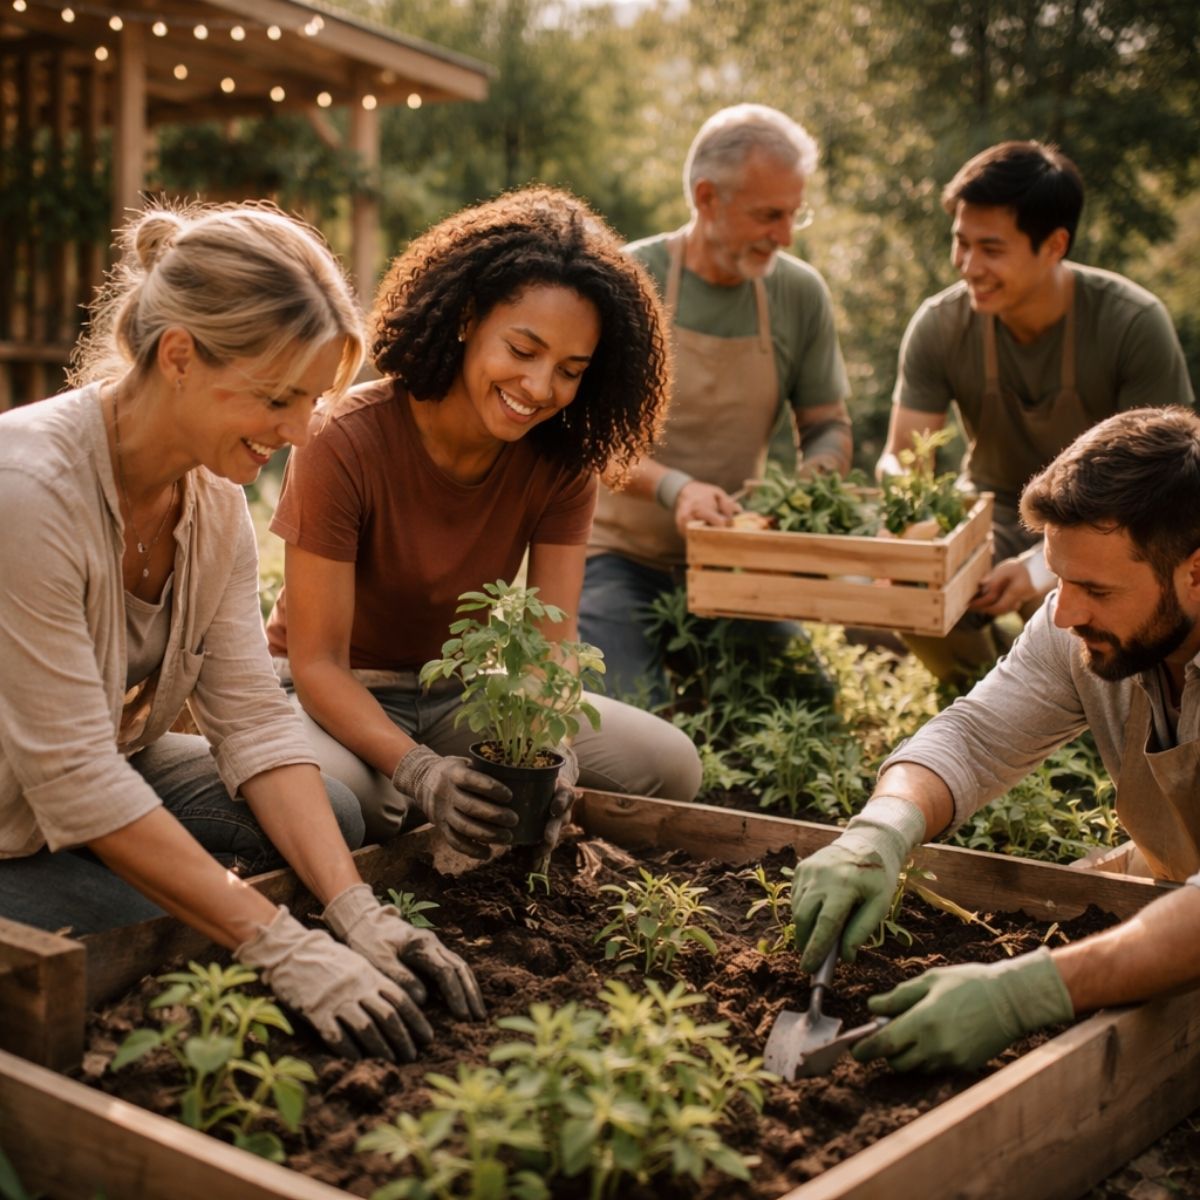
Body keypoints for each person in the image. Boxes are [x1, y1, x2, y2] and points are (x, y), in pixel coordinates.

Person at [0, 203, 485, 1064]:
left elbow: (255, 721)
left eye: (311, 402)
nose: (300, 432)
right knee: (151, 929)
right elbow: (74, 781)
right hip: (19, 803)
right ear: (179, 355)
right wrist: (280, 944)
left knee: (326, 822)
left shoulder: (214, 498)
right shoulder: (29, 491)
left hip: (81, 775)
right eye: (276, 398)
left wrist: (355, 912)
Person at [265, 187, 703, 859]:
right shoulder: (343, 439)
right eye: (523, 350)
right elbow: (318, 663)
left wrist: (550, 751)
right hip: (335, 693)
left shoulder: (560, 463)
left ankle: (444, 804)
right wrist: (420, 770)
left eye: (570, 371)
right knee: (351, 805)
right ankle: (416, 800)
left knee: (670, 767)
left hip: (459, 694)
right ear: (467, 318)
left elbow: (555, 645)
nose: (539, 387)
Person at [793, 406, 1200, 1072]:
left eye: (1095, 588)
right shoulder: (1077, 621)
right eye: (1059, 578)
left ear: (1195, 571)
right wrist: (882, 827)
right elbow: (977, 737)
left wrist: (1029, 992)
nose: (1065, 612)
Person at [877, 140, 1194, 683]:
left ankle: (1098, 714)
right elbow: (901, 457)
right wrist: (911, 514)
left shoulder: (1132, 323)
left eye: (992, 249)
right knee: (912, 584)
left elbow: (1173, 492)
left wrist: (1036, 570)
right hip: (992, 515)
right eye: (961, 244)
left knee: (1080, 608)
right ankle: (981, 694)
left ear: (1054, 245)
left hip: (1111, 530)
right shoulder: (940, 325)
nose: (969, 267)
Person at [580, 103, 853, 704]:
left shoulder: (798, 292)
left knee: (809, 703)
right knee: (631, 722)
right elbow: (590, 433)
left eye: (792, 214)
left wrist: (810, 488)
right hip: (618, 555)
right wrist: (678, 489)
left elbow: (828, 425)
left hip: (734, 560)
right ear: (707, 198)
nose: (784, 235)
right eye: (768, 215)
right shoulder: (627, 280)